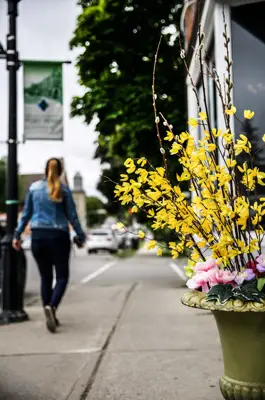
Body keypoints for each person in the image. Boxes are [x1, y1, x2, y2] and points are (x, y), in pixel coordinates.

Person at [12, 158, 86, 333]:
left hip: (38, 236)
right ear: (60, 172)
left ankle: (48, 309)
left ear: (45, 170)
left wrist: (17, 234)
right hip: (58, 236)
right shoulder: (64, 190)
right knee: (61, 277)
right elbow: (73, 217)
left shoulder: (34, 189)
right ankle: (52, 307)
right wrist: (81, 236)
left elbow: (25, 214)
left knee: (45, 277)